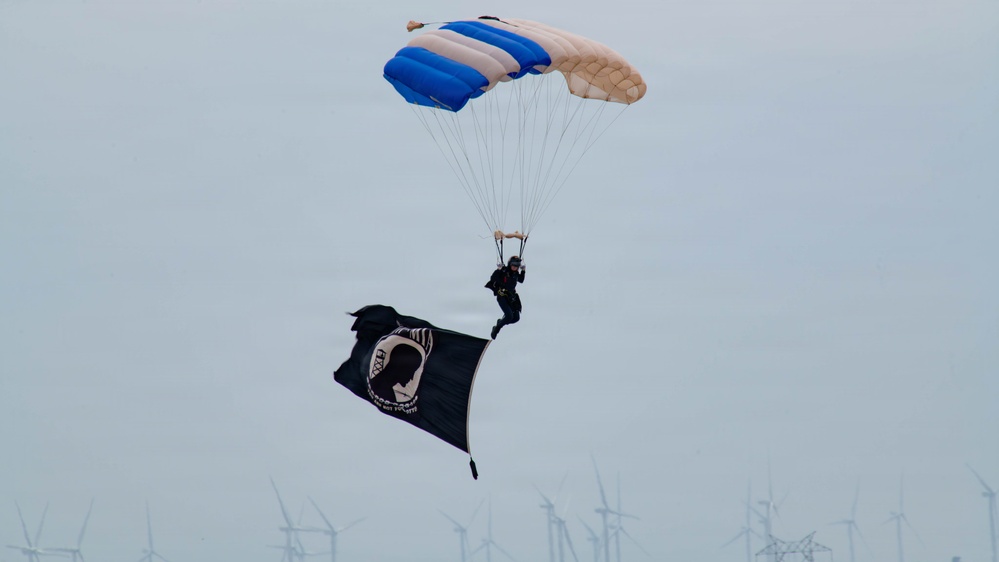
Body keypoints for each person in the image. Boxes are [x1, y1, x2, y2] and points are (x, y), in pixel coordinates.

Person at [485, 256, 525, 339]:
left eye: (516, 266)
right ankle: (496, 328)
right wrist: (498, 269)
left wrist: (523, 270)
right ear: (509, 264)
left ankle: (500, 322)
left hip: (512, 297)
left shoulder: (516, 273)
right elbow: (493, 278)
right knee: (509, 316)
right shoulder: (504, 270)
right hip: (502, 296)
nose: (514, 268)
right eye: (513, 266)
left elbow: (521, 280)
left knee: (516, 318)